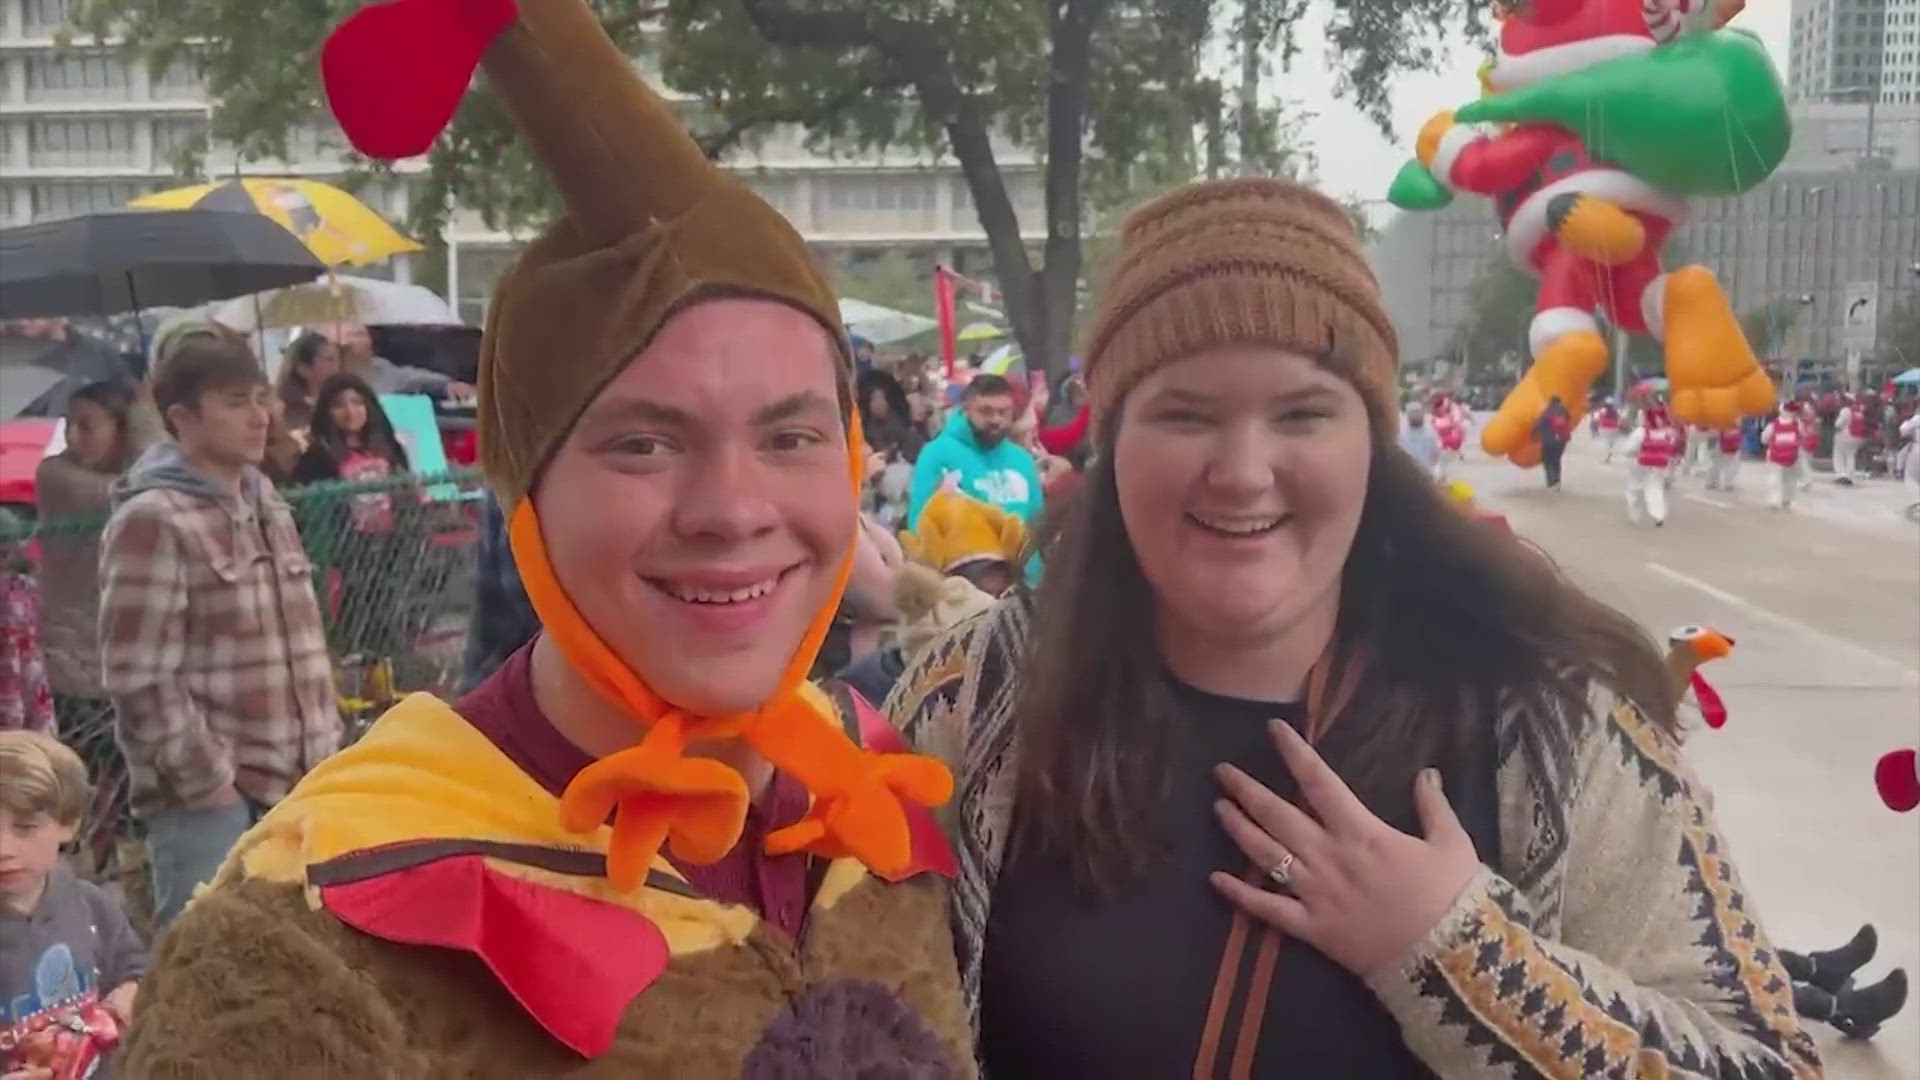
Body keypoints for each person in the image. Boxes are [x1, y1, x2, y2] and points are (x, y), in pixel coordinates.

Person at [117, 0, 970, 1073]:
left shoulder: (866, 787)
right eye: (645, 446)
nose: (734, 508)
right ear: (524, 490)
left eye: (791, 434)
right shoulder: (305, 953)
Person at [887, 177, 1820, 1078]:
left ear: (1370, 444)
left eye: (1302, 413)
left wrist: (1460, 959)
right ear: (1111, 439)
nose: (1244, 470)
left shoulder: (1556, 724)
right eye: (1184, 414)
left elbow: (1771, 1062)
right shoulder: (973, 699)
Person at [96, 336, 342, 930]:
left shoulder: (269, 503)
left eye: (261, 398)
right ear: (182, 418)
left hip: (302, 783)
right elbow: (139, 678)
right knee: (204, 975)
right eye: (235, 401)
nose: (259, 416)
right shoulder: (154, 518)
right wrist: (207, 782)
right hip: (211, 803)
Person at [33, 381, 139, 871]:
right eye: (70, 425)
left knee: (125, 774)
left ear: (121, 432)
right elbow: (122, 496)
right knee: (84, 768)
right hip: (72, 651)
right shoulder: (57, 476)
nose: (75, 436)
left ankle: (118, 859)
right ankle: (90, 859)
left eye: (88, 425)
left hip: (125, 651)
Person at [0, 731, 147, 1080]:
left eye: (25, 828)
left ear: (68, 825)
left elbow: (137, 972)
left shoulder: (91, 905)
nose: (3, 848)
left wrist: (121, 1004)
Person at [908, 373, 1043, 527]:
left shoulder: (1021, 459)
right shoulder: (936, 455)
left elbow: (1037, 525)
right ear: (966, 409)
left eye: (1003, 412)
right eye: (986, 411)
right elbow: (919, 526)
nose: (996, 419)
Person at [274, 331, 344, 438]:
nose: (337, 365)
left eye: (337, 359)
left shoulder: (343, 403)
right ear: (304, 369)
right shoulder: (286, 412)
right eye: (330, 359)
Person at [1622, 404, 1680, 526]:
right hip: (1659, 464)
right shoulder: (1669, 432)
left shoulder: (1640, 431)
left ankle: (1633, 515)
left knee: (1634, 488)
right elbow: (1672, 449)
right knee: (1655, 488)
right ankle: (1658, 515)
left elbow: (1628, 450)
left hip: (1638, 463)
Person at [1762, 404, 1806, 511]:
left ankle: (1774, 500)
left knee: (1775, 478)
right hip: (1793, 456)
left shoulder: (1773, 424)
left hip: (1775, 455)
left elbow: (1764, 439)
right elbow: (1803, 436)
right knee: (1790, 479)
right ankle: (1787, 500)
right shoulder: (1798, 424)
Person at [1533, 393, 1572, 489]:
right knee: (1556, 460)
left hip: (1547, 441)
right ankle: (1557, 479)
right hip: (1560, 440)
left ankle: (1550, 480)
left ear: (1550, 402)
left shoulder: (1546, 412)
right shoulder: (1563, 410)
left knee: (1547, 460)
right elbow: (1568, 420)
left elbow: (1537, 425)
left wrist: (1533, 435)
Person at [1397, 401, 1442, 481]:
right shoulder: (1401, 430)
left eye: (1418, 412)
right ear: (1407, 414)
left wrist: (1429, 467)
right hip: (1406, 473)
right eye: (1413, 413)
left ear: (1422, 413)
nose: (1416, 415)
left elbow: (1436, 450)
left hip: (1426, 471)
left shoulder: (1430, 430)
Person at [1830, 393, 1862, 485]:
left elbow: (1838, 424)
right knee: (1850, 456)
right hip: (1855, 436)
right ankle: (1850, 475)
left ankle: (1841, 475)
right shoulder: (1857, 410)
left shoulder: (1845, 410)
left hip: (1843, 435)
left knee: (1839, 455)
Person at [1708, 422, 1745, 492]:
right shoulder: (1736, 418)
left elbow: (1712, 432)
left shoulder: (1718, 418)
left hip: (1719, 444)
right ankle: (1728, 484)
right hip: (1733, 446)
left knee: (1715, 464)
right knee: (1731, 465)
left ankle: (1712, 482)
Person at [1592, 397, 1622, 462]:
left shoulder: (1601, 410)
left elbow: (1596, 419)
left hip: (1603, 428)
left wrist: (1595, 429)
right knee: (1611, 443)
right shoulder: (1616, 411)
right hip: (1614, 429)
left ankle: (1606, 457)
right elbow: (1620, 420)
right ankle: (1609, 454)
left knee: (1605, 443)